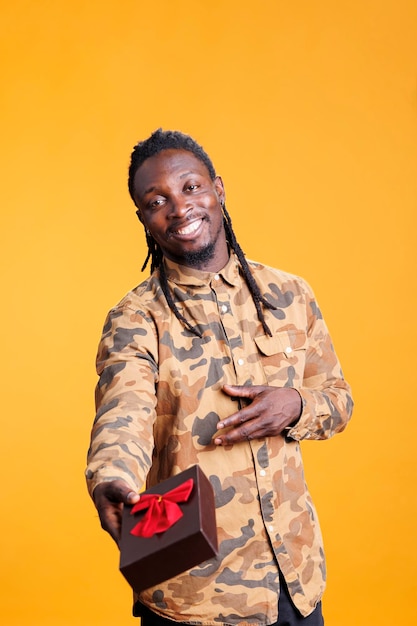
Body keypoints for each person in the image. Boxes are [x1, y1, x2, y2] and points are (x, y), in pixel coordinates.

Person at [86, 129, 353, 626]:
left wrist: (295, 405)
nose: (179, 208)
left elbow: (337, 398)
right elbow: (124, 411)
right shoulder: (136, 318)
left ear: (218, 188)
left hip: (297, 582)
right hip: (196, 599)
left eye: (190, 187)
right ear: (143, 218)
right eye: (156, 200)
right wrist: (111, 481)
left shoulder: (290, 293)